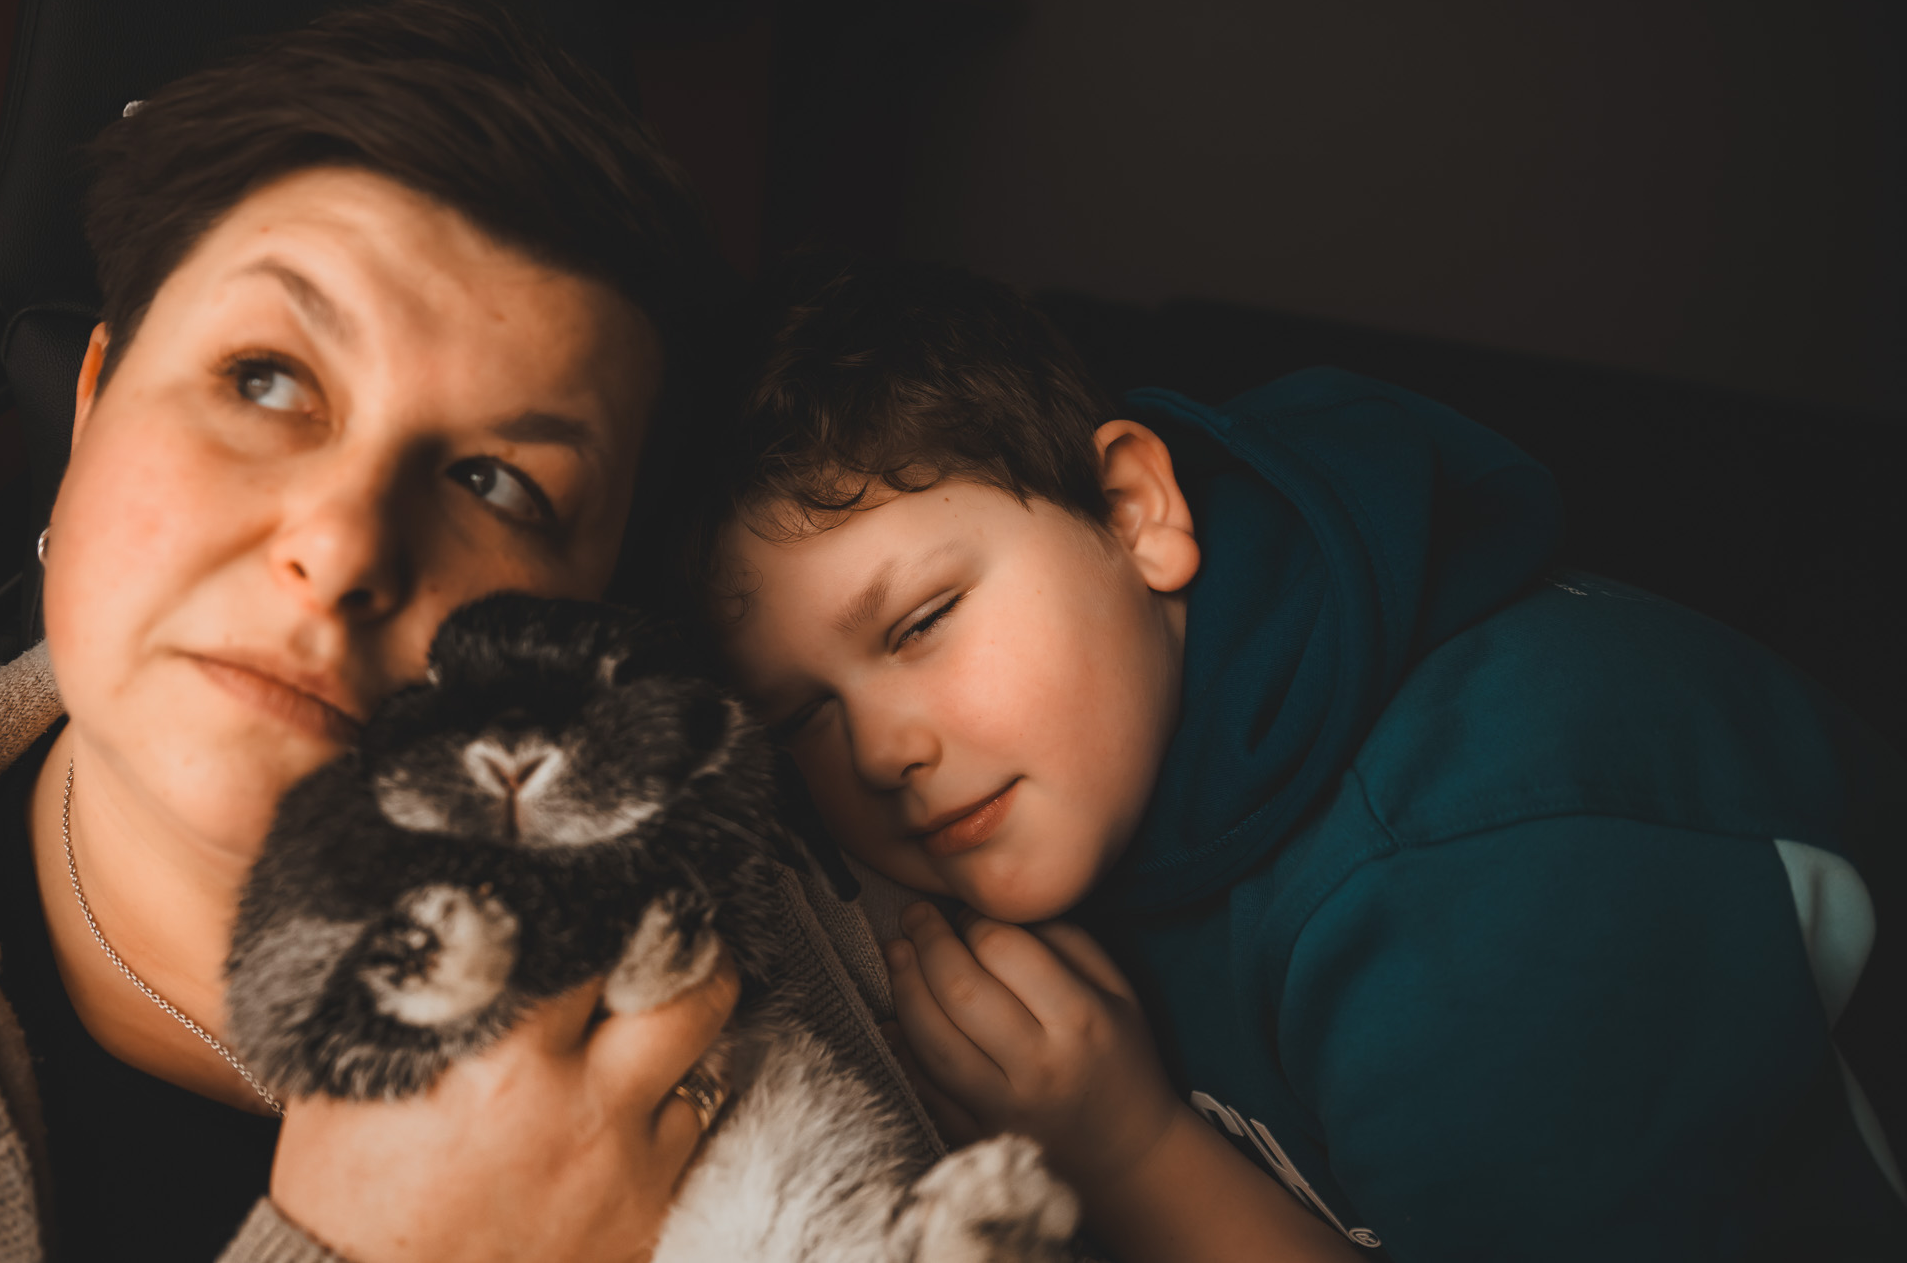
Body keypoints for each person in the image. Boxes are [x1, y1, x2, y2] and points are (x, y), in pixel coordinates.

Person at [0, 0, 926, 1263]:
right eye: (264, 380)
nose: (344, 549)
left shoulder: (841, 911)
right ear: (92, 410)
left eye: (497, 484)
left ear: (592, 611)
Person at [700, 260, 1907, 1261]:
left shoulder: (1485, 859)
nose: (881, 749)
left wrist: (1127, 1154)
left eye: (920, 622)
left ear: (1133, 512)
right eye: (801, 716)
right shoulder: (1074, 776)